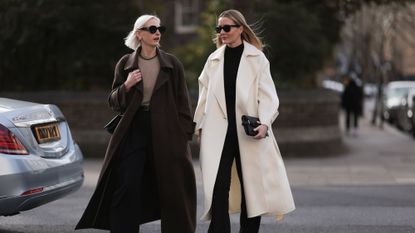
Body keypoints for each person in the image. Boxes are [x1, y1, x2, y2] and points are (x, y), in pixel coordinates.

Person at [75, 15, 196, 233]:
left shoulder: (172, 64)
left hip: (167, 130)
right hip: (134, 128)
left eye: (160, 28)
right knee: (127, 184)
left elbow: (183, 103)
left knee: (173, 187)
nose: (157, 32)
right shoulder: (125, 63)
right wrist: (127, 86)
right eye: (151, 29)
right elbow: (113, 101)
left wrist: (183, 135)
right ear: (139, 34)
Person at [193, 9, 295, 233]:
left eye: (227, 28)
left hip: (248, 132)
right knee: (218, 188)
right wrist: (198, 125)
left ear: (240, 29)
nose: (222, 32)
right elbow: (204, 95)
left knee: (252, 190)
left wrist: (265, 123)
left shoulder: (257, 58)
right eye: (219, 28)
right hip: (217, 132)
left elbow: (268, 96)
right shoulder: (214, 60)